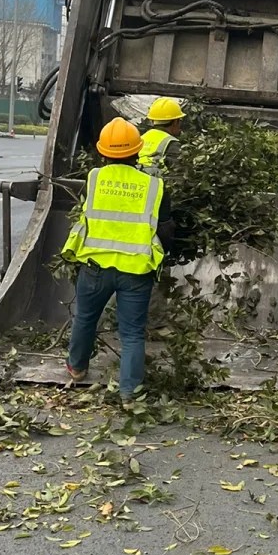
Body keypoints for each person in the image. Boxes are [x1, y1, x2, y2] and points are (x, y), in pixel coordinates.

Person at [62, 117, 174, 402]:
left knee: (85, 319)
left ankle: (77, 369)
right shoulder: (154, 186)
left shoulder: (94, 179)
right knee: (133, 333)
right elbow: (166, 229)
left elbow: (85, 214)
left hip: (95, 268)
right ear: (138, 152)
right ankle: (129, 394)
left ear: (102, 152)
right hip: (136, 271)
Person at [138, 97, 186, 175]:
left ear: (153, 121)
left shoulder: (140, 138)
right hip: (156, 184)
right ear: (175, 122)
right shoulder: (172, 143)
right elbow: (179, 175)